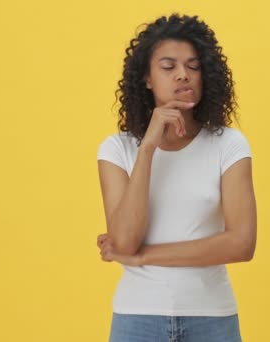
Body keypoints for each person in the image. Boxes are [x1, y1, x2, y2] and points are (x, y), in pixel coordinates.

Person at [96, 13, 257, 342]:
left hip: (211, 318)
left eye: (193, 66)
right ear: (147, 78)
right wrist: (148, 149)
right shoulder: (118, 150)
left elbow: (241, 243)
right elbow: (124, 240)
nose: (183, 75)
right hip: (137, 319)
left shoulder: (228, 145)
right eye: (168, 67)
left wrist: (144, 257)